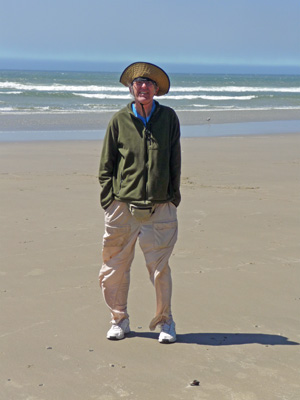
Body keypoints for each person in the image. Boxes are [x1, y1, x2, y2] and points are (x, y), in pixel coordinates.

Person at [98, 62, 181, 343]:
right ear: (131, 88)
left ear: (156, 89)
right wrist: (109, 201)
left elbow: (174, 161)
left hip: (161, 207)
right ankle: (119, 320)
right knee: (114, 268)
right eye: (138, 83)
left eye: (149, 83)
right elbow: (106, 165)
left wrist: (173, 197)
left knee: (160, 270)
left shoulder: (169, 118)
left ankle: (165, 322)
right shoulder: (119, 120)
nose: (143, 87)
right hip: (122, 207)